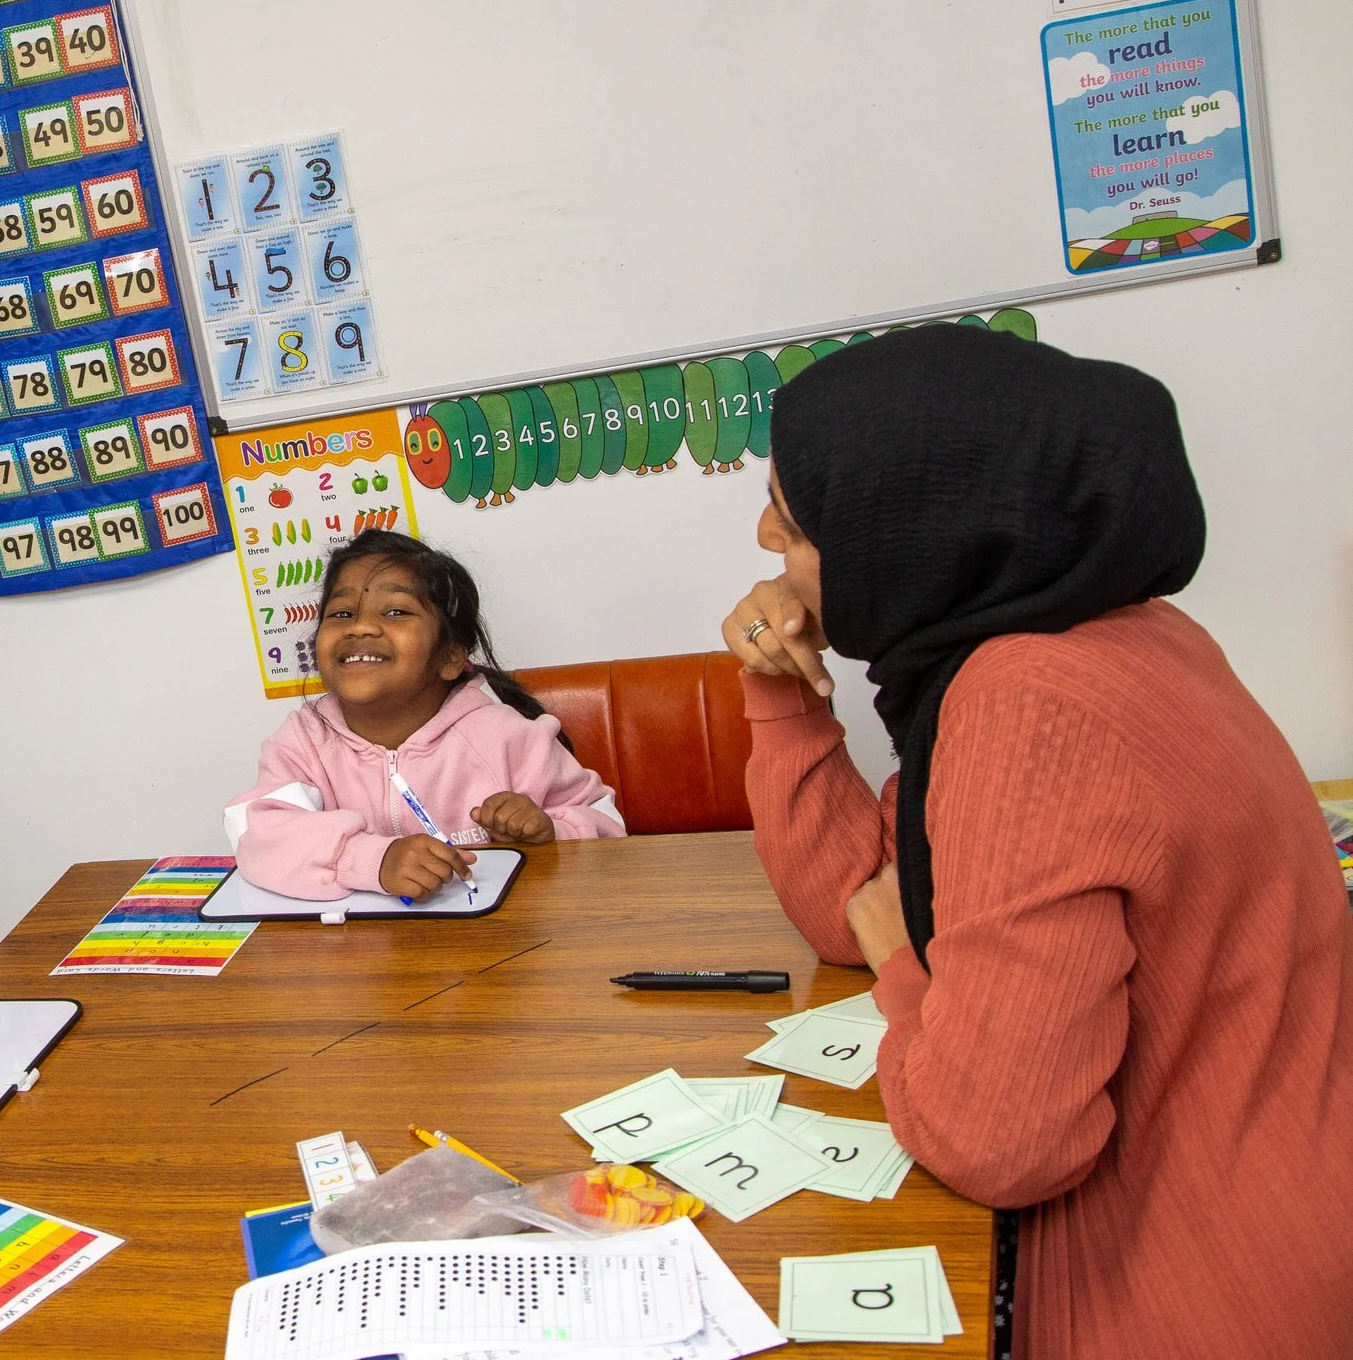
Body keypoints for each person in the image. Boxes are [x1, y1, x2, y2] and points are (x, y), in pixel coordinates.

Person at [721, 323, 1353, 1360]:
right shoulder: (1100, 631)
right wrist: (776, 690)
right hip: (1281, 1196)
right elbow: (848, 897)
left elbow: (1000, 1141)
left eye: (791, 522)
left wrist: (902, 965)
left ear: (910, 528)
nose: (759, 537)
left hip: (1197, 1281)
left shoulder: (1024, 703)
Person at [226, 530, 623, 901]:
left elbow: (607, 827)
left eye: (396, 611)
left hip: (501, 952)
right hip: (365, 961)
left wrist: (551, 832)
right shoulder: (305, 741)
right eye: (342, 614)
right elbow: (258, 834)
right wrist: (374, 861)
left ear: (451, 657)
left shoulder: (507, 737)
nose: (361, 626)